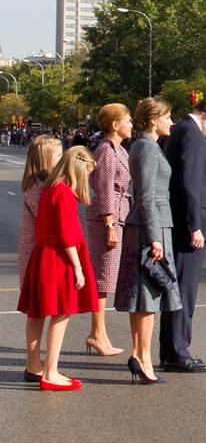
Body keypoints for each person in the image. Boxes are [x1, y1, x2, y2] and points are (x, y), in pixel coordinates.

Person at [18, 146, 100, 390]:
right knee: (61, 313)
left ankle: (40, 367)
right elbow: (66, 235)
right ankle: (51, 372)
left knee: (38, 312)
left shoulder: (49, 189)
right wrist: (78, 267)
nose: (86, 178)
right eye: (85, 172)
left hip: (43, 254)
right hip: (59, 258)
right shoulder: (63, 192)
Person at [160, 94, 206, 374]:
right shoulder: (190, 133)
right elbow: (188, 181)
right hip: (188, 224)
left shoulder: (181, 130)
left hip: (185, 221)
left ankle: (171, 350)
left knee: (178, 290)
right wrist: (194, 224)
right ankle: (177, 351)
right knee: (183, 291)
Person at [115, 97, 181, 385]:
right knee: (147, 299)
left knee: (145, 299)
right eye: (168, 117)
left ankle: (139, 355)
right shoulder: (146, 147)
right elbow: (145, 197)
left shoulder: (146, 145)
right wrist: (155, 238)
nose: (171, 122)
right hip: (148, 228)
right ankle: (142, 357)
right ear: (154, 120)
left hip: (149, 226)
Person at [85, 103, 133, 357]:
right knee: (102, 280)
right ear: (115, 124)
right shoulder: (105, 150)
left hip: (119, 214)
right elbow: (103, 189)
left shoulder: (120, 150)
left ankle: (99, 333)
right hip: (107, 218)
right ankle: (96, 333)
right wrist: (109, 224)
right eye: (128, 121)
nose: (131, 125)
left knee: (106, 280)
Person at [17, 135, 63, 383]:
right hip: (38, 253)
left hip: (36, 251)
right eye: (57, 155)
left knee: (37, 312)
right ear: (46, 159)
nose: (61, 158)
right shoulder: (40, 187)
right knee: (39, 311)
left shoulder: (37, 184)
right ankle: (34, 363)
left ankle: (34, 363)